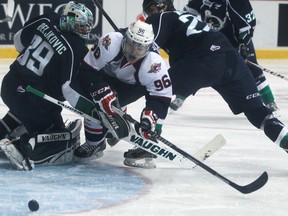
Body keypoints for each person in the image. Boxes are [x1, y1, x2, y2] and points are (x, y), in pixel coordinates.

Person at [122, 0, 288, 168]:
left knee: (157, 88)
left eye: (154, 8)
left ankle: (148, 145)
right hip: (231, 59)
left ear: (164, 7)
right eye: (150, 9)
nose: (153, 12)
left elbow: (148, 54)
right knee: (259, 114)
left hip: (202, 61)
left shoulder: (158, 19)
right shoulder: (184, 16)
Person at [0, 1, 94, 170]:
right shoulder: (77, 49)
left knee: (23, 111)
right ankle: (23, 146)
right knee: (59, 133)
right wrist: (91, 109)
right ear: (70, 22)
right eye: (81, 27)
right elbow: (69, 89)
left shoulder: (47, 19)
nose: (85, 31)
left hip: (9, 85)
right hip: (33, 100)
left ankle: (2, 129)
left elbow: (18, 41)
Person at [73, 20, 173, 168]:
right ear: (125, 39)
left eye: (140, 49)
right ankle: (95, 143)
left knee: (144, 120)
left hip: (131, 87)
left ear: (148, 48)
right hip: (105, 77)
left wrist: (150, 118)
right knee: (92, 104)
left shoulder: (154, 64)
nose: (134, 52)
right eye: (131, 45)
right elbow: (87, 69)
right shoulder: (110, 42)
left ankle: (146, 142)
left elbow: (162, 97)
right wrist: (100, 90)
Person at [170, 0, 278, 112]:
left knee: (254, 69)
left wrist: (243, 45)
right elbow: (187, 14)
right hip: (213, 41)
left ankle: (269, 102)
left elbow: (247, 25)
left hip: (237, 41)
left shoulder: (233, 2)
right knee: (198, 67)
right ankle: (180, 96)